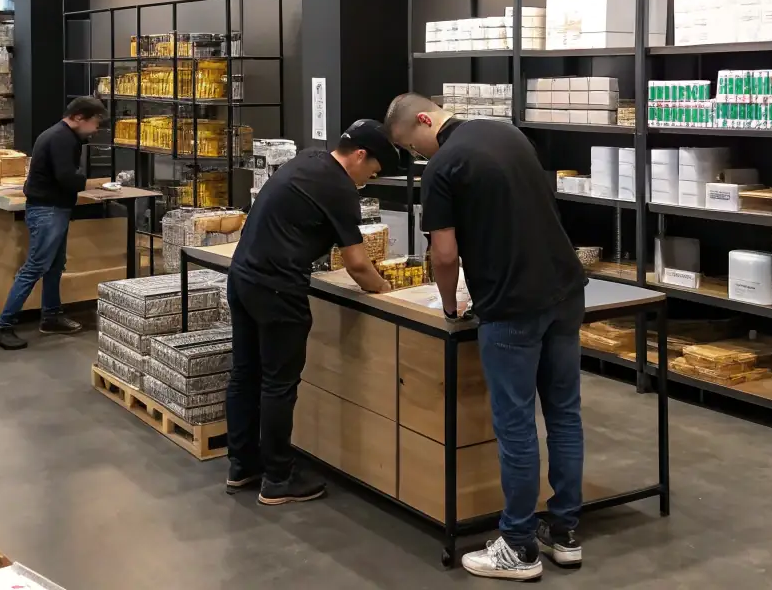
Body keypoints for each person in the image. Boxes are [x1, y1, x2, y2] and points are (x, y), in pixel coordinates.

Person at [386, 93, 587, 581]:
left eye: (412, 146)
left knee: (515, 425)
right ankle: (564, 533)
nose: (417, 157)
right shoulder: (507, 133)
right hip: (563, 288)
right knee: (563, 414)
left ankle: (518, 545)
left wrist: (451, 306)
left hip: (511, 305)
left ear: (424, 119)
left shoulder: (443, 167)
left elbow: (443, 254)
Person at [225, 119, 403, 506]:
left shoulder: (307, 161)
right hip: (276, 288)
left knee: (245, 373)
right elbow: (358, 264)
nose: (367, 180)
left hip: (243, 276)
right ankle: (277, 478)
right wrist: (387, 290)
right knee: (278, 383)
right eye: (371, 171)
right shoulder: (339, 187)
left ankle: (242, 466)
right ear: (359, 156)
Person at [0, 97, 111, 351]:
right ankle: (4, 326)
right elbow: (66, 178)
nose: (96, 130)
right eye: (95, 123)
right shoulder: (61, 139)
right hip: (48, 211)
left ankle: (51, 316)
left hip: (54, 209)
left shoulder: (62, 136)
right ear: (79, 117)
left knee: (55, 266)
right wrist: (98, 183)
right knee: (34, 267)